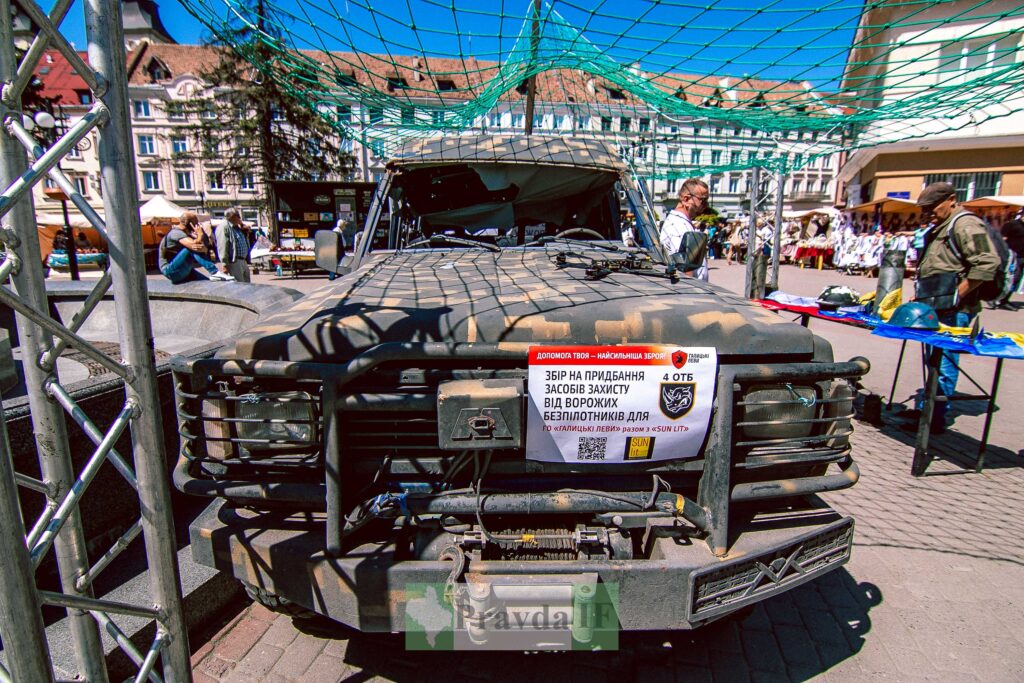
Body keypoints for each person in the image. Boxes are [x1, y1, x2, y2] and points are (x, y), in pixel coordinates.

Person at [914, 181, 1002, 431]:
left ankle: (934, 418)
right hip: (935, 306)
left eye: (932, 208)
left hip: (954, 310)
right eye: (925, 209)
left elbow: (987, 263)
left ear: (951, 199)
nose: (928, 214)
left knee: (944, 362)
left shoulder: (965, 223)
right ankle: (927, 411)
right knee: (934, 361)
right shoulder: (940, 226)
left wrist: (957, 295)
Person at [659, 178, 710, 281]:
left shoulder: (683, 223)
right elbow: (684, 268)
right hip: (693, 291)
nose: (705, 205)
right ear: (686, 200)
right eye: (703, 200)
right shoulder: (678, 226)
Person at [159, 216, 233, 284]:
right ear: (191, 224)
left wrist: (198, 240)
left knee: (208, 283)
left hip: (183, 269)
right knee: (190, 248)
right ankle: (214, 272)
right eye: (196, 223)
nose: (198, 226)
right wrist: (200, 236)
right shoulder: (176, 233)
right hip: (170, 270)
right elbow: (194, 246)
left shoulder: (186, 234)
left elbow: (204, 249)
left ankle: (215, 274)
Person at [214, 208, 252, 283]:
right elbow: (222, 246)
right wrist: (224, 264)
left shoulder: (236, 227)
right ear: (232, 216)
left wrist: (244, 229)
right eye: (238, 216)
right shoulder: (224, 227)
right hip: (234, 261)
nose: (240, 218)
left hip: (243, 260)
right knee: (240, 286)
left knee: (248, 285)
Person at [995, 218, 1024, 309]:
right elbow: (1002, 238)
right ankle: (999, 299)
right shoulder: (1012, 224)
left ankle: (1004, 299)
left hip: (1022, 255)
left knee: (1017, 279)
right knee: (1011, 277)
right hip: (1012, 254)